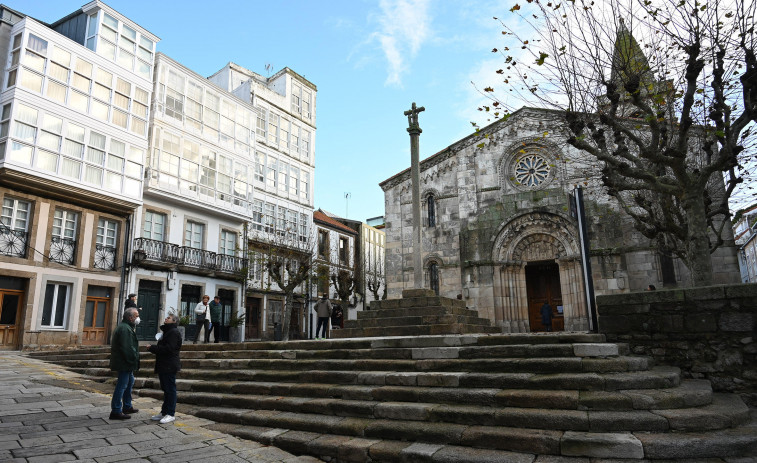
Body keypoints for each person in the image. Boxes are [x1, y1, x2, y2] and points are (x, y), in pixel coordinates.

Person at [148, 313, 182, 424]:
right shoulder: (168, 331)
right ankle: (164, 412)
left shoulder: (173, 332)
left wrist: (153, 348)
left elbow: (169, 348)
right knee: (166, 389)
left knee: (170, 390)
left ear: (174, 321)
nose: (166, 318)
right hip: (164, 364)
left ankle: (170, 413)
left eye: (169, 318)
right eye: (166, 317)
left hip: (169, 364)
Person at [109, 307, 140, 420]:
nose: (138, 318)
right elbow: (127, 348)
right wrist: (133, 359)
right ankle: (116, 410)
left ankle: (127, 406)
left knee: (130, 381)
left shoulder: (126, 327)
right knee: (122, 385)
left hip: (124, 361)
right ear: (130, 317)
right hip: (124, 362)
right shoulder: (125, 329)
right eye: (136, 316)